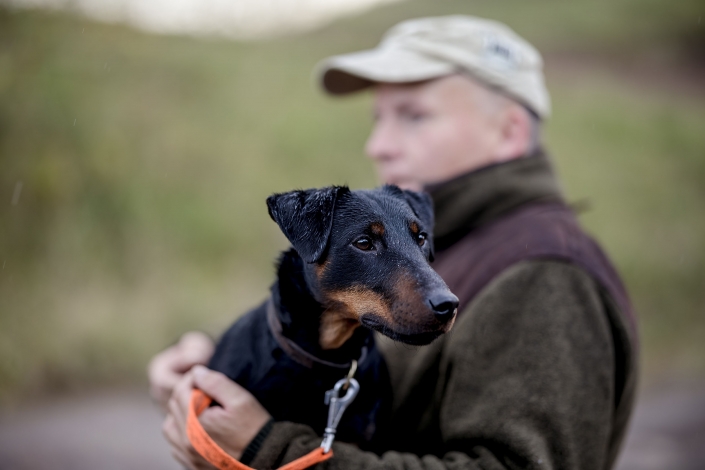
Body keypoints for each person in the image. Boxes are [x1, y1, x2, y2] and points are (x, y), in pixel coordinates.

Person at [151, 16, 638, 470]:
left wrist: (271, 450)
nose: (377, 145)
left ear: (508, 132)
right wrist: (210, 361)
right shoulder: (449, 238)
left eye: (413, 115)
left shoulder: (546, 274)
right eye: (377, 118)